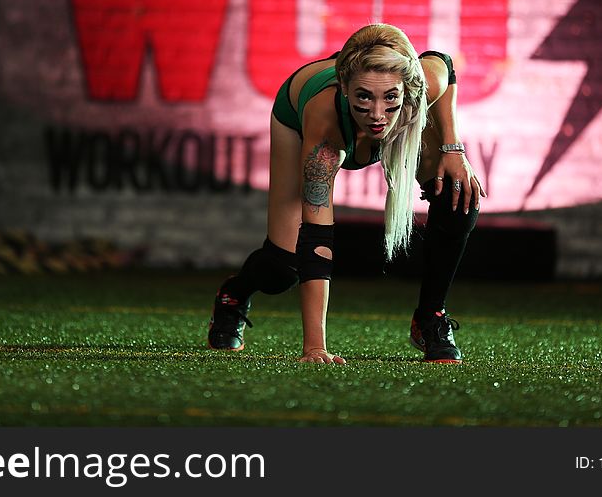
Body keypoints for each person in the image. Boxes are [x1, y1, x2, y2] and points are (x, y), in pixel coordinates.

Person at [207, 23, 486, 364]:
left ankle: (430, 317)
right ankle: (234, 294)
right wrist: (315, 348)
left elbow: (442, 62)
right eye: (364, 97)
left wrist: (452, 149)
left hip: (398, 106)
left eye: (391, 98)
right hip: (294, 119)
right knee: (283, 266)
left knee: (458, 193)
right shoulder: (325, 130)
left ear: (409, 90)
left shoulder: (423, 84)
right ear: (344, 89)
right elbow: (317, 237)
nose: (378, 115)